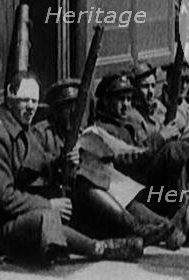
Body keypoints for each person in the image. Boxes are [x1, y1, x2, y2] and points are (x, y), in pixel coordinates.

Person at [0, 71, 143, 263]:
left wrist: (62, 161)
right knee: (46, 217)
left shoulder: (23, 129)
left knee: (78, 187)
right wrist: (48, 204)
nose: (31, 107)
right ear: (11, 98)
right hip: (3, 226)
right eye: (25, 100)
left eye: (34, 101)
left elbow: (40, 164)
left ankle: (129, 230)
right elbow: (5, 197)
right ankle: (100, 248)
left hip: (24, 212)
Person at [35, 78, 173, 246]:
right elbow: (36, 170)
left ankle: (166, 227)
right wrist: (60, 163)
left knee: (112, 182)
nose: (73, 112)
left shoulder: (85, 133)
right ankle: (135, 227)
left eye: (77, 106)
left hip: (99, 201)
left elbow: (116, 155)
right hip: (69, 204)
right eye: (67, 107)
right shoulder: (42, 133)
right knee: (86, 179)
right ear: (55, 111)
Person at [92, 73, 189, 249]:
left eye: (129, 99)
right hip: (128, 191)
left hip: (147, 185)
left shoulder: (130, 122)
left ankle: (182, 212)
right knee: (174, 151)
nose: (126, 105)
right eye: (121, 99)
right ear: (105, 101)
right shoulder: (101, 129)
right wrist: (160, 137)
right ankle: (179, 221)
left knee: (178, 152)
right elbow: (127, 157)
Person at [131, 62, 189, 190]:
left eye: (187, 81)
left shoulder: (185, 105)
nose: (184, 86)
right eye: (180, 81)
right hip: (182, 168)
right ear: (168, 81)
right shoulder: (161, 110)